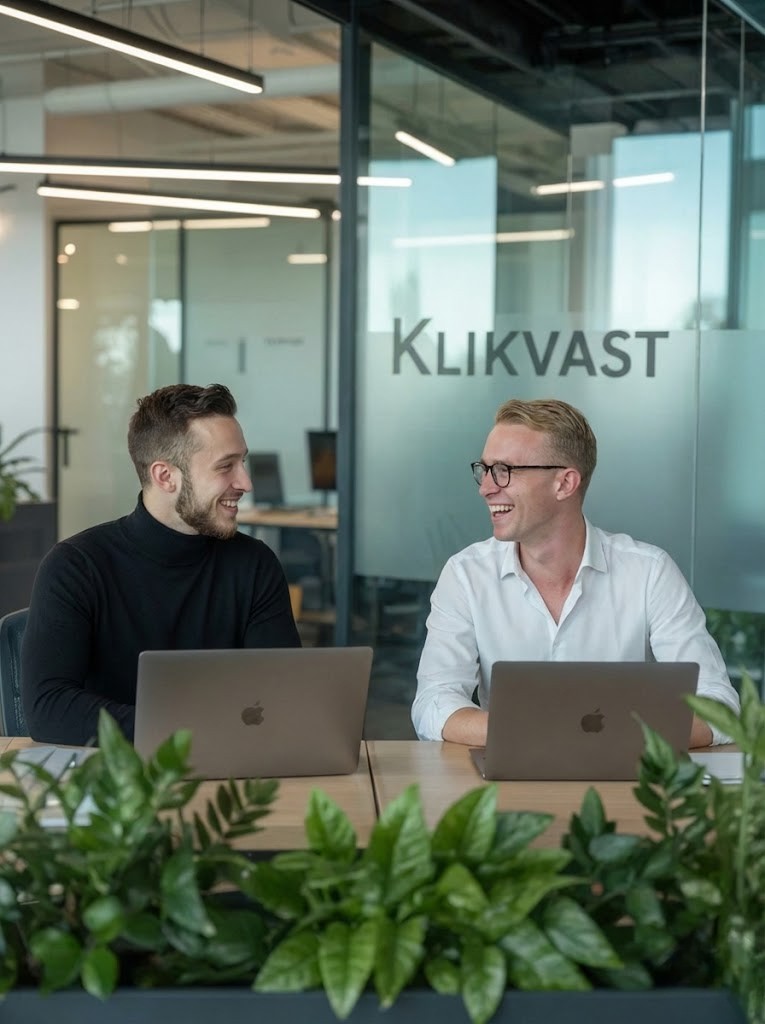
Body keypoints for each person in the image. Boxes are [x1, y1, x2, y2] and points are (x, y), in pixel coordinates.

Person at [412, 397, 740, 748]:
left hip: (625, 791)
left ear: (565, 483)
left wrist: (606, 738)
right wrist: (553, 733)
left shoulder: (649, 573)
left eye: (504, 470)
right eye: (485, 469)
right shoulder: (466, 574)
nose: (486, 488)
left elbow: (718, 706)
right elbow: (434, 703)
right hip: (509, 787)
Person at [22, 383, 300, 745]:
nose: (244, 482)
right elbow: (48, 708)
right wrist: (188, 735)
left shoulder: (255, 564)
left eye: (242, 461)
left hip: (231, 769)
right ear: (165, 476)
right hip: (111, 778)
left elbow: (287, 696)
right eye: (225, 466)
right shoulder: (76, 567)